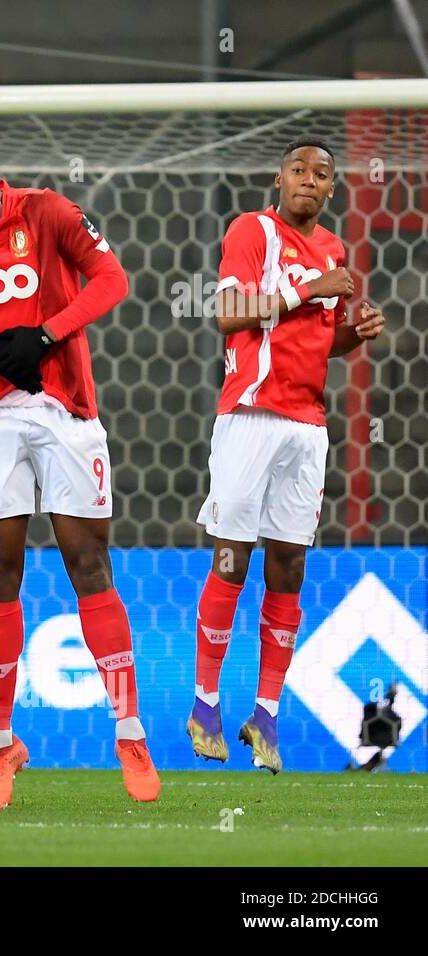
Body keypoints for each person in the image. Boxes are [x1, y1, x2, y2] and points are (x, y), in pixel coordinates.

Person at [0, 145, 160, 810]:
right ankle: (0, 746)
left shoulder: (48, 211)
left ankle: (129, 733)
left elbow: (112, 280)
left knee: (89, 563)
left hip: (67, 410)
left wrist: (46, 337)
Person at [188, 139, 383, 773]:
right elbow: (227, 313)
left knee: (289, 565)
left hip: (308, 426)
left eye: (320, 174)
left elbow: (316, 347)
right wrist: (312, 291)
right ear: (280, 178)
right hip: (249, 416)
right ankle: (205, 704)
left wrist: (353, 333)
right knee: (231, 555)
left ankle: (265, 715)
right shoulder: (253, 230)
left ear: (332, 189)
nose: (307, 180)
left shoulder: (332, 249)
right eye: (298, 170)